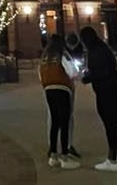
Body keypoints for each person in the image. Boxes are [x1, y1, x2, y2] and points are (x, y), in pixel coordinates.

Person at [80, 25, 117, 171]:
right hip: (115, 88)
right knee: (116, 122)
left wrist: (87, 78)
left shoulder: (96, 51)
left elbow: (102, 72)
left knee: (110, 123)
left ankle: (112, 160)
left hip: (108, 90)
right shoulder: (102, 47)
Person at [39, 35, 82, 170]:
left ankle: (53, 154)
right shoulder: (62, 55)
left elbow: (40, 75)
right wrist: (78, 73)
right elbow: (72, 72)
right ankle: (64, 155)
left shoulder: (45, 57)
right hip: (63, 89)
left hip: (49, 89)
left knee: (54, 121)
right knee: (64, 121)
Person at [64, 33, 85, 158]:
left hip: (57, 87)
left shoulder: (57, 53)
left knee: (57, 117)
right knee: (66, 116)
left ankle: (57, 147)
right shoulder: (64, 54)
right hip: (66, 86)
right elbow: (73, 73)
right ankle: (66, 146)